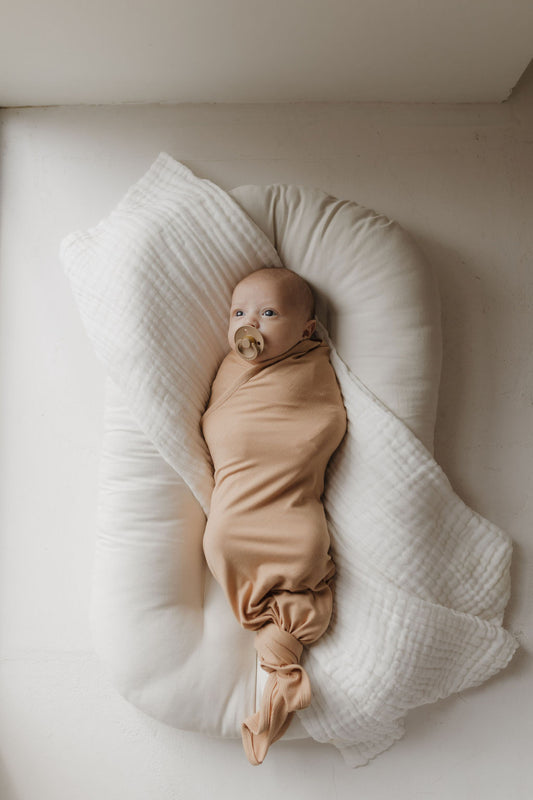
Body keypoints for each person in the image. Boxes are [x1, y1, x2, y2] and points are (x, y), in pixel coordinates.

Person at [201, 266, 346, 764]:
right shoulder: (229, 368)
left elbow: (323, 420)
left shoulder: (310, 366)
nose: (250, 324)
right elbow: (217, 417)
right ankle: (278, 669)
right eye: (239, 313)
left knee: (304, 548)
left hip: (290, 503)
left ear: (306, 331)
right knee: (221, 538)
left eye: (268, 313)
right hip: (237, 509)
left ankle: (278, 676)